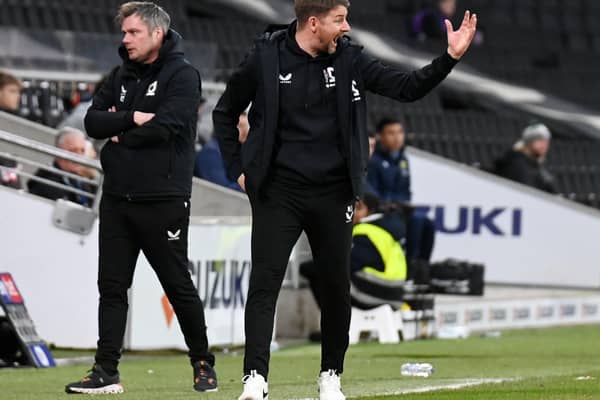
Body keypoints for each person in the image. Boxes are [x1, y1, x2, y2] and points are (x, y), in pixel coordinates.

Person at [213, 0, 477, 398]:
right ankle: (255, 379)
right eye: (340, 20)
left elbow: (406, 88)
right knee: (264, 284)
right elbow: (225, 111)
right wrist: (238, 169)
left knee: (336, 285)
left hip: (334, 192)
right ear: (314, 23)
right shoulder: (265, 57)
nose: (347, 27)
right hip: (277, 191)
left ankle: (330, 376)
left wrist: (449, 57)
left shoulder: (351, 59)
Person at [65, 2, 217, 395]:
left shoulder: (183, 75)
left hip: (162, 198)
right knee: (111, 287)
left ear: (156, 34)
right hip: (117, 197)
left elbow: (168, 127)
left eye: (133, 32)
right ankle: (105, 370)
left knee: (177, 283)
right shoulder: (119, 75)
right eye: (125, 32)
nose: (125, 39)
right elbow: (92, 122)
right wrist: (132, 118)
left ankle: (203, 364)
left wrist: (118, 129)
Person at [301, 193, 408, 313]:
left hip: (378, 294)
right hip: (393, 293)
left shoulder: (366, 232)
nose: (352, 212)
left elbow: (347, 263)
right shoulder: (384, 229)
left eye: (358, 208)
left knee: (319, 272)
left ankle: (333, 324)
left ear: (370, 211)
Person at [367, 118, 435, 263]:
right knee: (416, 221)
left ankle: (422, 269)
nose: (397, 137)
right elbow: (371, 192)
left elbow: (406, 190)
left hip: (400, 210)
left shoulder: (403, 159)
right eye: (391, 133)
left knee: (428, 224)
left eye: (400, 132)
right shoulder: (373, 160)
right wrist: (391, 205)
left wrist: (404, 204)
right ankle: (409, 267)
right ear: (380, 136)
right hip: (381, 211)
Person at [27, 127, 97, 206]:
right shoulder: (47, 182)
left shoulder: (79, 181)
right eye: (73, 150)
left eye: (82, 151)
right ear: (59, 151)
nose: (79, 156)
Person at [492, 123, 556, 194]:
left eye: (546, 142)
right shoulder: (517, 164)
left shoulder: (536, 167)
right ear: (529, 142)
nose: (544, 145)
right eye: (540, 140)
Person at [194, 113, 249, 191]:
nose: (245, 132)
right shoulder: (211, 152)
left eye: (246, 127)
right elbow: (221, 189)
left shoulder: (237, 155)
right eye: (240, 126)